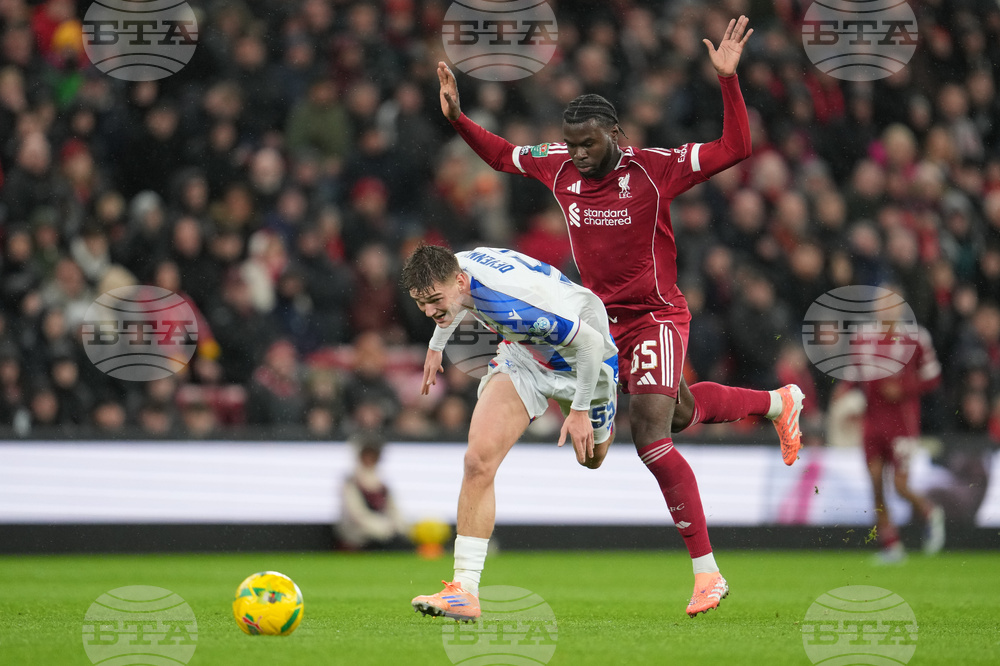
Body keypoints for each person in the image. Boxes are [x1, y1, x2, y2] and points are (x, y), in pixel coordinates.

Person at [438, 15, 804, 615]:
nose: (579, 155)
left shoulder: (653, 170)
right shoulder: (556, 165)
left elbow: (736, 148)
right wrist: (457, 120)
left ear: (616, 133)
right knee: (683, 411)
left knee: (651, 435)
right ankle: (776, 403)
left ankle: (707, 573)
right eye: (572, 143)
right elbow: (504, 156)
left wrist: (729, 82)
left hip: (657, 315)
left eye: (589, 143)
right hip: (601, 326)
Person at [404, 244, 619, 622]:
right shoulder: (455, 270)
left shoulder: (513, 303)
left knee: (593, 459)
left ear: (458, 281)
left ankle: (657, 398)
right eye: (421, 304)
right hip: (523, 356)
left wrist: (581, 410)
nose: (429, 311)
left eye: (434, 301)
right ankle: (464, 590)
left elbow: (590, 343)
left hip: (584, 363)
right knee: (477, 461)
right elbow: (453, 304)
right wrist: (437, 344)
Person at [839, 297, 946, 563]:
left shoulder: (917, 338)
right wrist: (843, 397)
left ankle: (930, 511)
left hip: (903, 424)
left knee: (899, 485)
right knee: (875, 483)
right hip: (872, 423)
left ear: (900, 309)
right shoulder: (862, 338)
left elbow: (933, 377)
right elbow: (854, 376)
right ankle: (891, 544)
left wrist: (905, 389)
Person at [337, 431, 410, 551]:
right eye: (367, 455)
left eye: (373, 456)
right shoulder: (352, 482)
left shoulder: (381, 483)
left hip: (383, 533)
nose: (370, 459)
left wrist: (402, 528)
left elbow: (393, 509)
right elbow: (356, 514)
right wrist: (381, 527)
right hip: (358, 536)